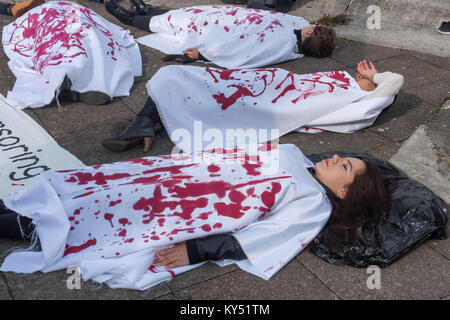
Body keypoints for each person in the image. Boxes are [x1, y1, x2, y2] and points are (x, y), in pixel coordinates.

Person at [0, 144, 390, 290]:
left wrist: (197, 250)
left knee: (105, 215)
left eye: (345, 167)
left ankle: (22, 224)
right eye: (345, 157)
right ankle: (21, 213)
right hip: (181, 177)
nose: (337, 158)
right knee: (100, 188)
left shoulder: (313, 205)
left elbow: (265, 236)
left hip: (184, 209)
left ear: (343, 192)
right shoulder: (301, 160)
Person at [101, 60, 404, 153]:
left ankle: (146, 123)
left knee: (179, 77)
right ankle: (149, 123)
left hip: (268, 100)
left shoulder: (359, 99)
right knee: (186, 77)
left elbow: (395, 80)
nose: (359, 72)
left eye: (366, 76)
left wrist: (373, 77)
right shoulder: (343, 84)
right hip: (268, 85)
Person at [105, 0, 337, 69]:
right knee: (191, 13)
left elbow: (243, 54)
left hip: (218, 32)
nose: (312, 24)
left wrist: (204, 55)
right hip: (228, 18)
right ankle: (147, 9)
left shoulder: (280, 48)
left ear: (310, 32)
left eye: (315, 27)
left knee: (182, 25)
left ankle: (133, 19)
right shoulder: (298, 24)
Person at [1, 1, 142, 109]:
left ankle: (63, 75)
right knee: (87, 40)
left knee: (61, 44)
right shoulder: (42, 11)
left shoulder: (39, 13)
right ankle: (84, 79)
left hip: (63, 19)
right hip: (67, 20)